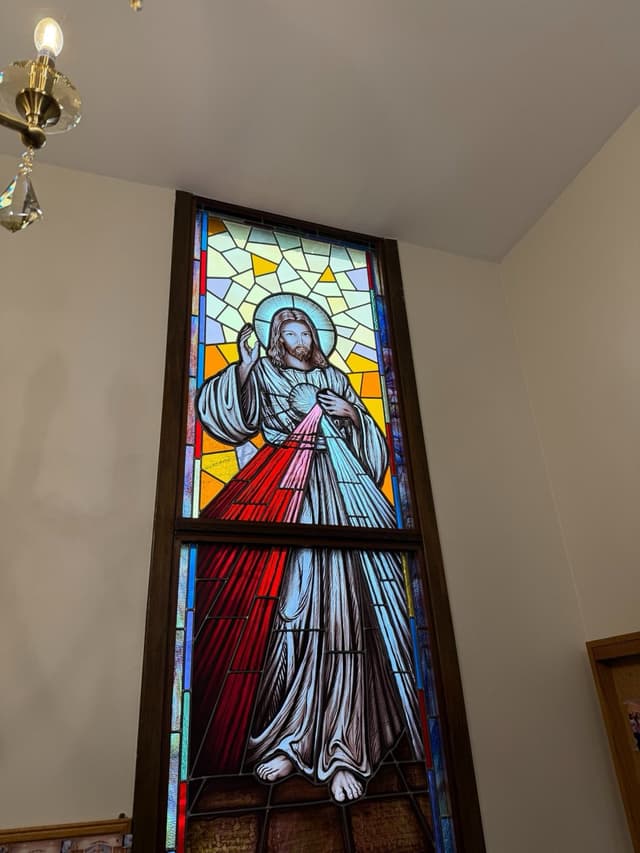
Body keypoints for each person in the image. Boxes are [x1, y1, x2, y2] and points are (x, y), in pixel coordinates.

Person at [197, 296, 422, 802]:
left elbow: (372, 449)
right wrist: (244, 366)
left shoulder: (335, 378)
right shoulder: (263, 373)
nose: (300, 341)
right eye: (290, 333)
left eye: (305, 333)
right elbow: (228, 420)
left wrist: (352, 414)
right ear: (276, 339)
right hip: (285, 491)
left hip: (342, 496)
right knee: (292, 611)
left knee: (347, 617)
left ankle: (346, 749)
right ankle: (290, 739)